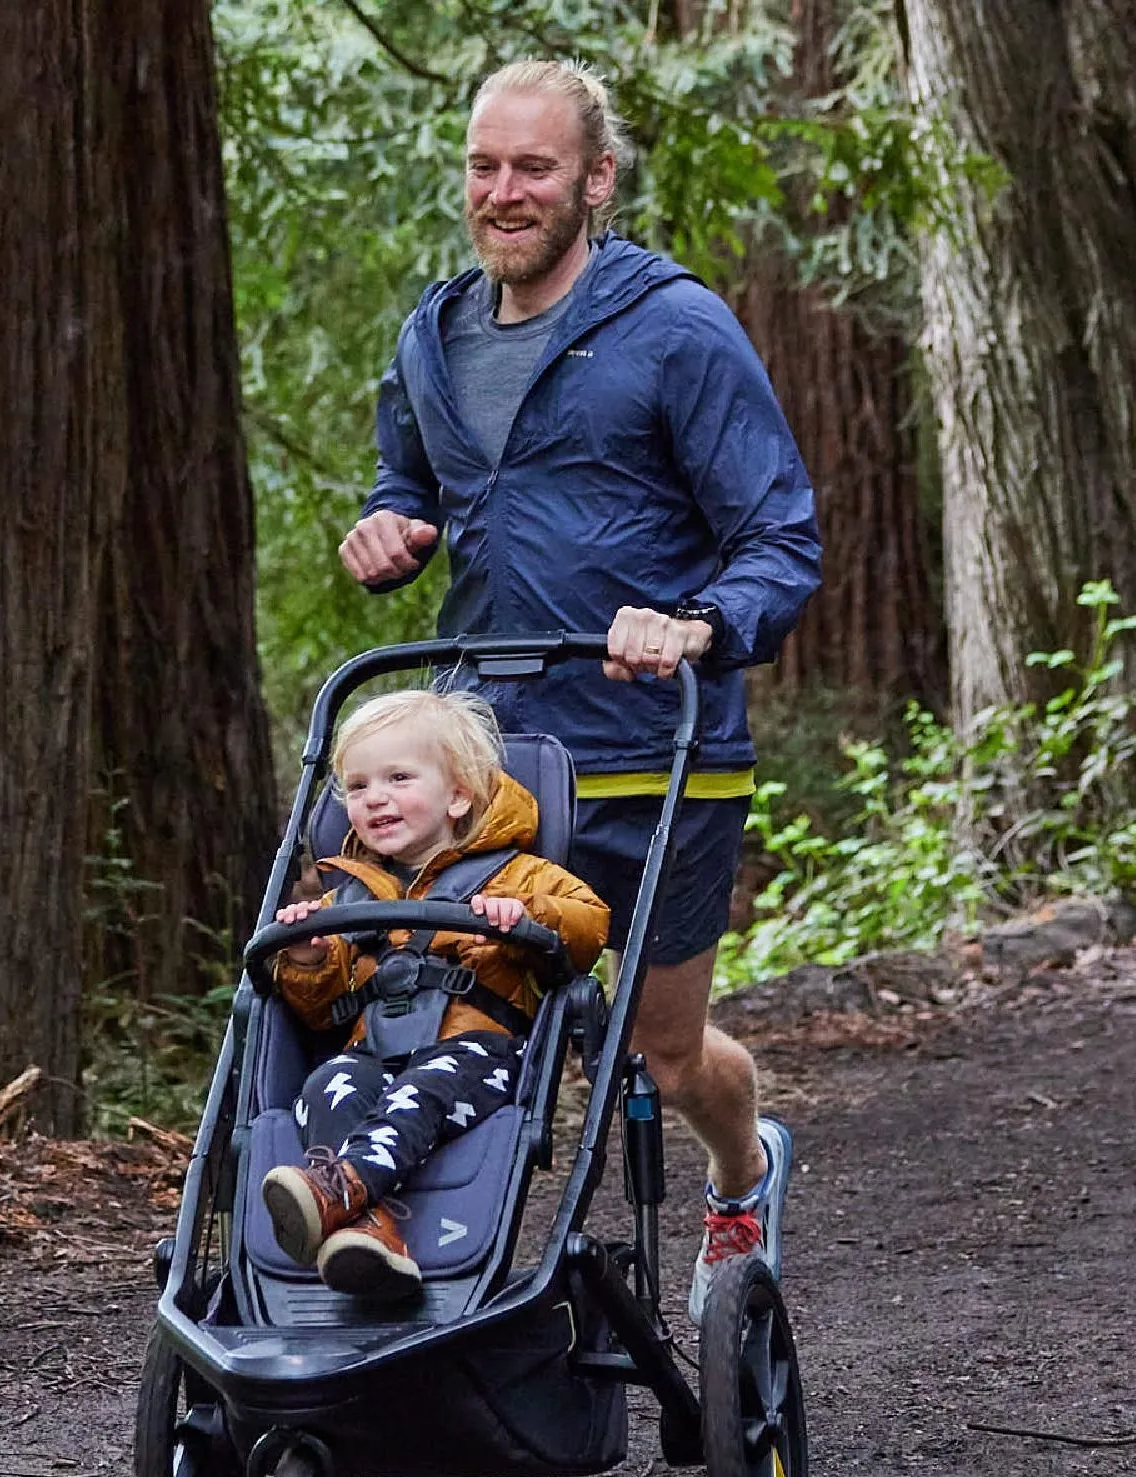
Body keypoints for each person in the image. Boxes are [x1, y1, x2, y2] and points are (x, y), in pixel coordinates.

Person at [337, 58, 822, 1329]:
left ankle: (743, 1173)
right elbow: (411, 485)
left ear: (595, 180)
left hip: (654, 752)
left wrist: (697, 623)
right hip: (484, 766)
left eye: (534, 168)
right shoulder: (433, 336)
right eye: (485, 167)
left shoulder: (677, 327)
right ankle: (428, 1297)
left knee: (657, 1054)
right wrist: (391, 529)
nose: (504, 192)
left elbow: (779, 538)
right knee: (442, 1029)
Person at [261, 688, 608, 1301]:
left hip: (479, 1055)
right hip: (374, 1054)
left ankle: (336, 1189)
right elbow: (315, 1013)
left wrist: (525, 914)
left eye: (398, 778)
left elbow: (590, 923)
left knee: (424, 1088)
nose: (375, 797)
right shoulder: (345, 900)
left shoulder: (517, 873)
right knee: (325, 1084)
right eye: (358, 786)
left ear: (457, 796)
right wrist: (306, 957)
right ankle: (372, 1231)